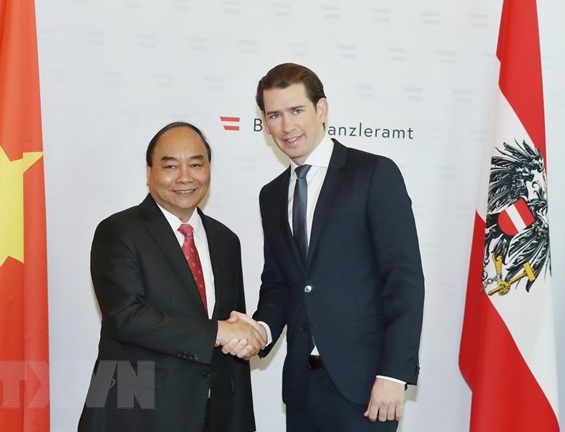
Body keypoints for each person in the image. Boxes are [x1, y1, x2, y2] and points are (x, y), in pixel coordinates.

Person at [226, 63, 424, 431]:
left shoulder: (373, 174)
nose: (287, 126)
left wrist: (394, 374)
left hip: (366, 387)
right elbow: (280, 282)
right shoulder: (271, 195)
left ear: (322, 109)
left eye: (296, 110)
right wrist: (261, 330)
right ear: (264, 123)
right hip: (302, 389)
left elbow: (403, 279)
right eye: (275, 115)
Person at [78, 122, 262, 432]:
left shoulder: (225, 240)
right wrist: (218, 332)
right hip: (135, 411)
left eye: (196, 164)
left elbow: (232, 329)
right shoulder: (118, 231)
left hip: (213, 412)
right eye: (170, 166)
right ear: (149, 172)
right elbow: (126, 318)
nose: (185, 177)